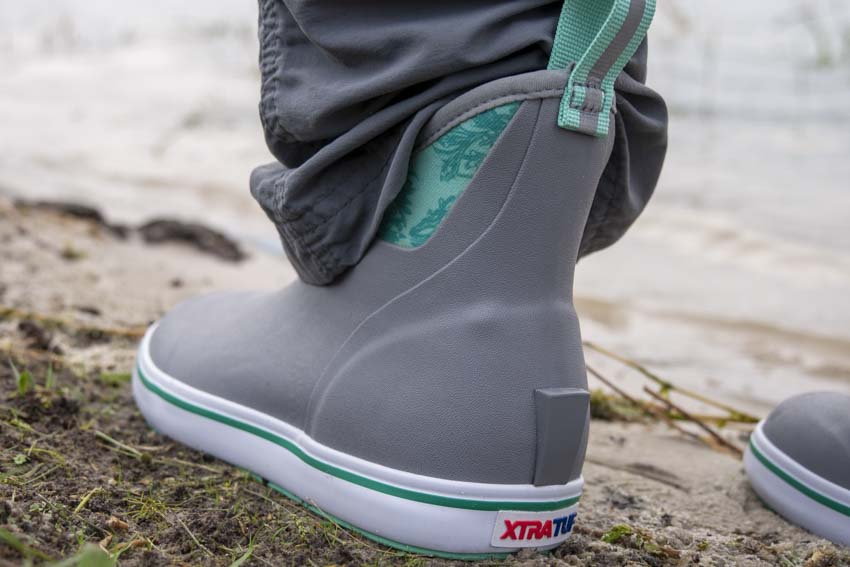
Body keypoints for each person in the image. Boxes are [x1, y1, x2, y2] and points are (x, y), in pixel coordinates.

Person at [133, 0, 671, 557]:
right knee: (567, 37)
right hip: (542, 369)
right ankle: (495, 421)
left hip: (410, 407)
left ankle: (396, 406)